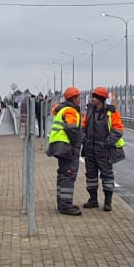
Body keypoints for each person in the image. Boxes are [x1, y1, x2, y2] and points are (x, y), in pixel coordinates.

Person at [80, 87, 124, 210]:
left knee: (107, 176)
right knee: (91, 176)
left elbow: (118, 130)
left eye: (94, 97)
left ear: (101, 99)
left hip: (104, 151)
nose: (92, 99)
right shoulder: (89, 111)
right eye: (92, 96)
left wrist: (106, 144)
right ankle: (93, 200)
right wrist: (84, 140)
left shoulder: (111, 113)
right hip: (90, 149)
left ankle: (108, 202)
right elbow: (82, 127)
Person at [47, 86, 85, 215]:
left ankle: (63, 203)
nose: (80, 100)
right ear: (74, 98)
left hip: (60, 146)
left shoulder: (62, 109)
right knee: (68, 175)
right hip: (66, 147)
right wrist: (75, 145)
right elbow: (71, 128)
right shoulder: (70, 111)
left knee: (63, 175)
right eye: (79, 97)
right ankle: (65, 206)